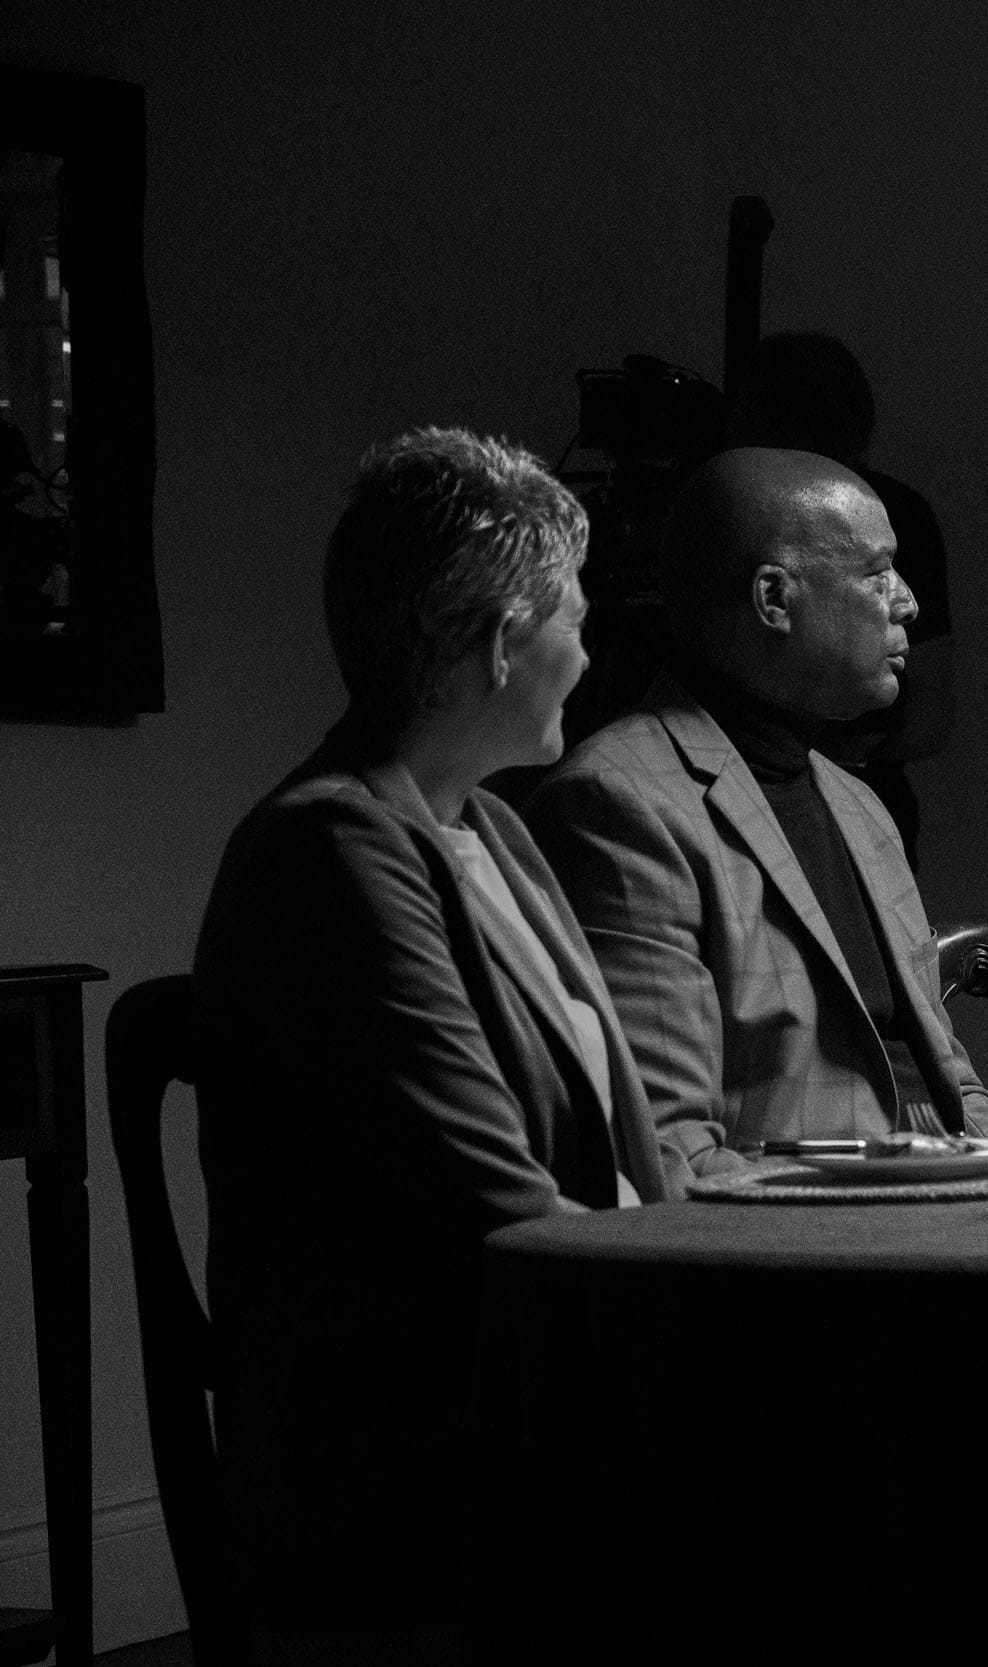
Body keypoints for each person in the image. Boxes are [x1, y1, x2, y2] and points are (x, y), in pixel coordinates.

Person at [193, 429, 673, 1652]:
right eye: (575, 620)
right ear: (506, 642)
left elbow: (614, 1160)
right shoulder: (334, 846)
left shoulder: (491, 831)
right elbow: (486, 1204)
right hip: (415, 1466)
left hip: (535, 1393)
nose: (588, 655)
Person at [526, 447, 988, 1172]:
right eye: (878, 573)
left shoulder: (859, 805)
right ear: (774, 599)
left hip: (947, 1203)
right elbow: (670, 1152)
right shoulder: (617, 804)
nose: (909, 601)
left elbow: (955, 1088)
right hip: (805, 1231)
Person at [727, 331, 952, 867]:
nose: (907, 604)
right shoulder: (654, 803)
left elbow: (932, 714)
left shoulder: (869, 816)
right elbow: (931, 711)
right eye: (873, 573)